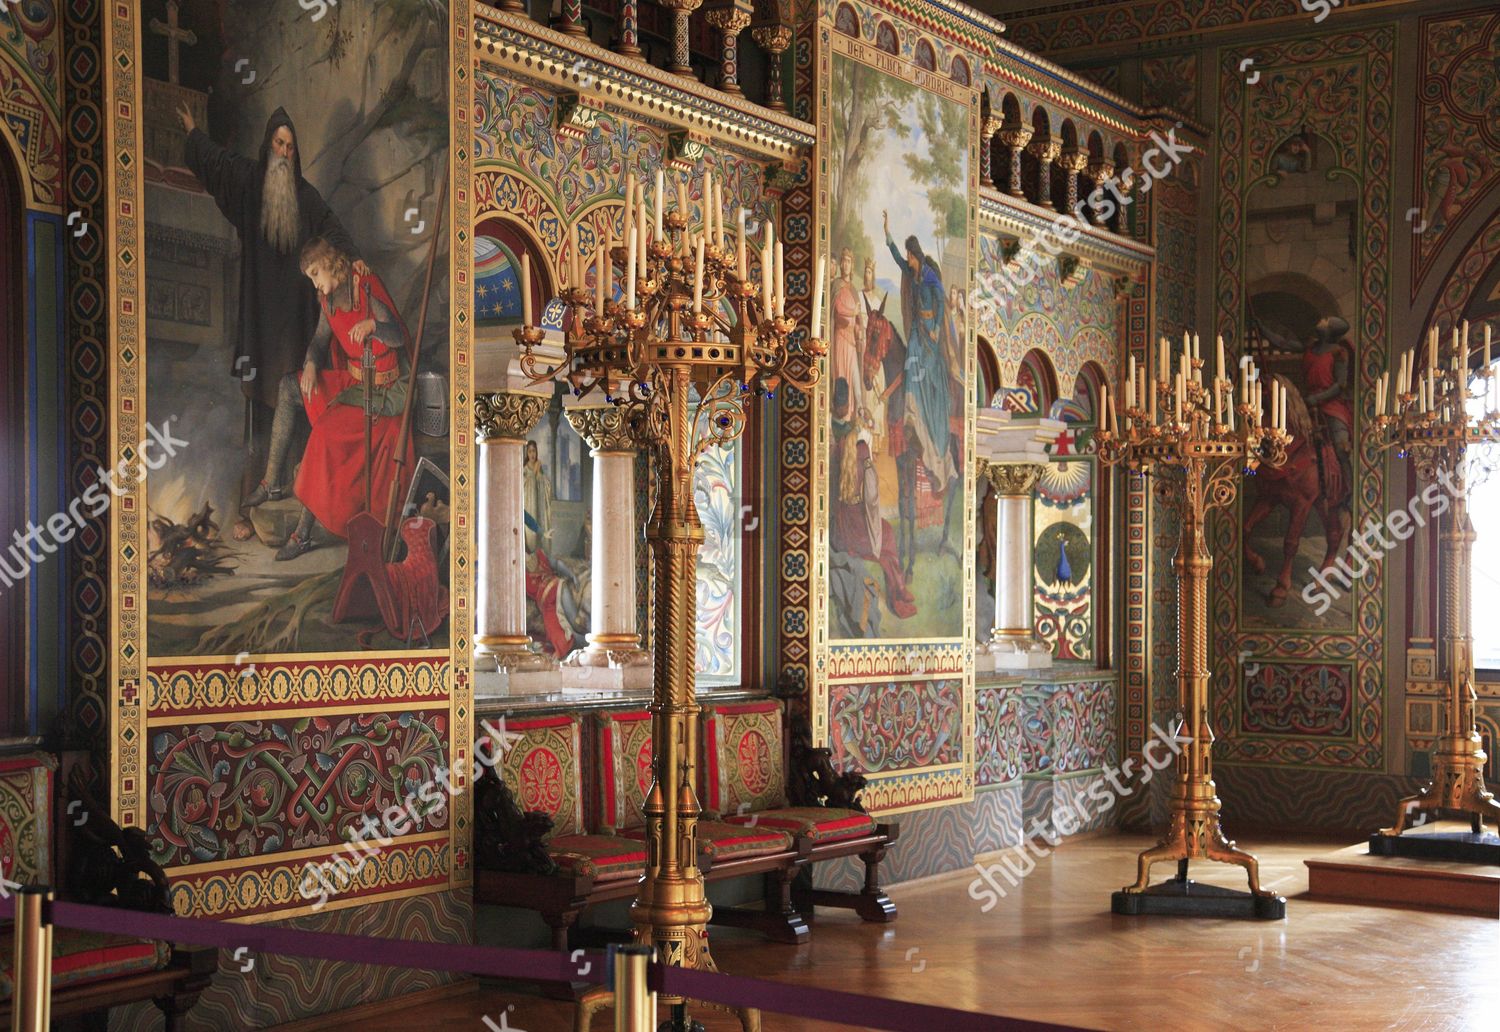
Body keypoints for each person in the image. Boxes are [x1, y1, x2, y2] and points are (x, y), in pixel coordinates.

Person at [177, 104, 363, 513]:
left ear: (296, 152)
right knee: (259, 400)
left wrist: (354, 257)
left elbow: (334, 230)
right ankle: (258, 491)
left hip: (296, 314)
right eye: (279, 143)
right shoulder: (248, 179)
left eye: (290, 146)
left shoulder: (306, 197)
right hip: (260, 311)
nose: (284, 151)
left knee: (296, 393)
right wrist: (193, 133)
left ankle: (298, 491)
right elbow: (215, 163)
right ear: (269, 146)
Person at [276, 237, 415, 560]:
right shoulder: (329, 300)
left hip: (388, 394)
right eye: (310, 277)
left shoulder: (364, 285)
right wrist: (311, 363)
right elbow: (320, 340)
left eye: (315, 273)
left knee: (325, 436)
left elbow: (397, 335)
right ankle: (303, 532)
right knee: (323, 430)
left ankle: (303, 534)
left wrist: (373, 325)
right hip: (358, 388)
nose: (315, 282)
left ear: (329, 263)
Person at [1254, 312, 1354, 512]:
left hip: (1332, 406)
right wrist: (1262, 328)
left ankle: (1348, 493)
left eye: (1325, 321)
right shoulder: (1310, 347)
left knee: (1341, 448)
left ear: (1331, 330)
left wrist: (1317, 398)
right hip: (1306, 403)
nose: (1321, 321)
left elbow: (1340, 385)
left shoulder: (1338, 353)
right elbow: (1284, 342)